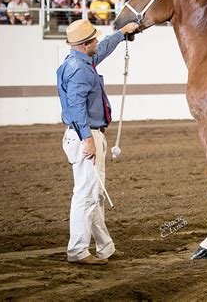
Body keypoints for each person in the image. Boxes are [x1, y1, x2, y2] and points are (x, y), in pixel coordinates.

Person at [56, 19, 139, 265]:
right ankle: (78, 251)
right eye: (93, 39)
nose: (97, 42)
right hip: (86, 134)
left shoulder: (79, 60)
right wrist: (87, 139)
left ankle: (105, 247)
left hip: (85, 134)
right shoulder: (81, 69)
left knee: (93, 194)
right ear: (83, 44)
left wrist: (121, 34)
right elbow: (76, 106)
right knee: (86, 195)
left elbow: (102, 48)